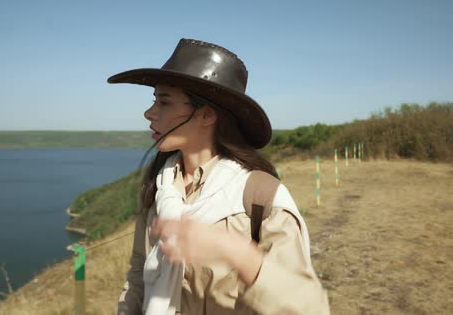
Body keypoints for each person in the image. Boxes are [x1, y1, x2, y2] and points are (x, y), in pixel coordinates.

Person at [108, 38, 330, 315]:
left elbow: (308, 307)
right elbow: (139, 271)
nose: (149, 113)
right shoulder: (160, 187)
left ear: (206, 115)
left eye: (164, 102)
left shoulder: (260, 196)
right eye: (154, 101)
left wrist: (234, 251)